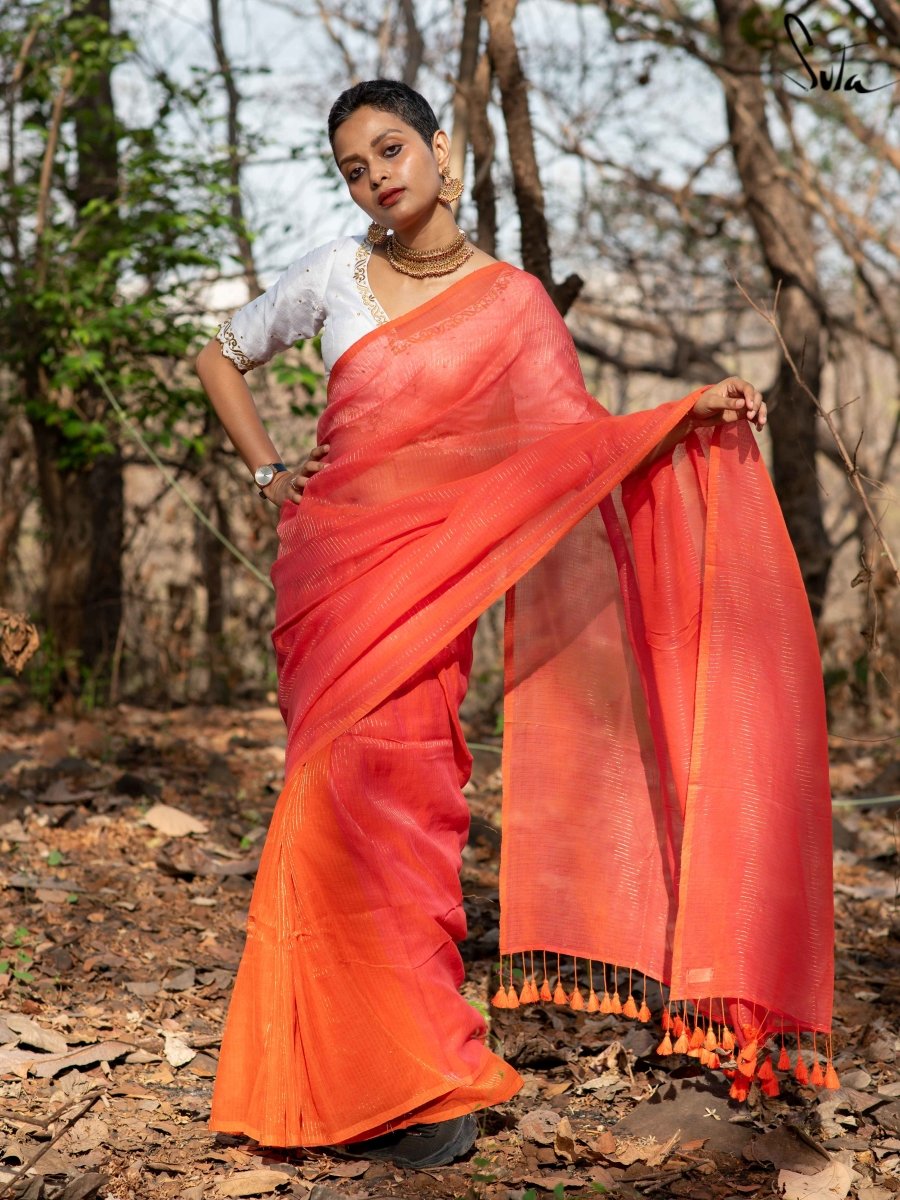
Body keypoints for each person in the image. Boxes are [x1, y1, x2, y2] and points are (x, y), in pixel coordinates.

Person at [195, 79, 835, 1169]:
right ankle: (328, 1075)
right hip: (334, 583)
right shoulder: (333, 274)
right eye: (352, 167)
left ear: (441, 151)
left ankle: (418, 1078)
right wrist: (267, 472)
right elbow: (221, 349)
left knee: (410, 814)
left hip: (431, 596)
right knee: (324, 812)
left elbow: (570, 445)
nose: (375, 176)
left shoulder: (514, 306)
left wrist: (683, 415)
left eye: (391, 149)